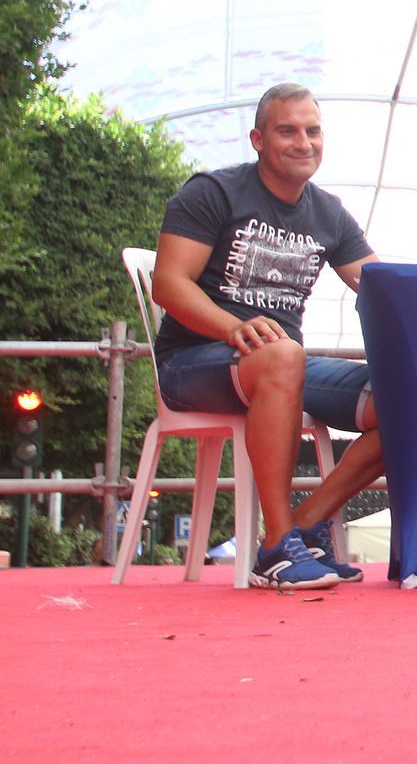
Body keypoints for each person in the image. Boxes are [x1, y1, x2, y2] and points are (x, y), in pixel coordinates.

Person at [151, 84, 383, 590]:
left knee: (407, 400)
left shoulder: (329, 213)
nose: (304, 142)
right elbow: (168, 285)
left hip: (282, 364)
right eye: (287, 131)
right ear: (257, 139)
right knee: (283, 356)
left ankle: (305, 524)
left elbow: (384, 288)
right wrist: (232, 326)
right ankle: (276, 548)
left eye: (313, 130)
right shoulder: (213, 192)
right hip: (194, 361)